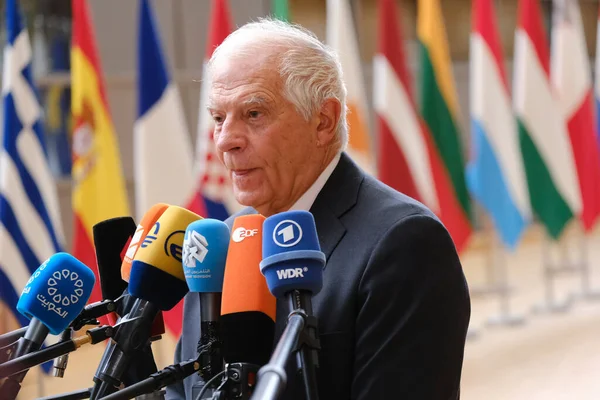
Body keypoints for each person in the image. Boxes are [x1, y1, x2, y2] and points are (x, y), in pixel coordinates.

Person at [166, 18, 470, 400]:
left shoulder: (405, 243)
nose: (226, 140)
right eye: (218, 117)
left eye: (253, 113)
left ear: (323, 121)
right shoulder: (217, 247)